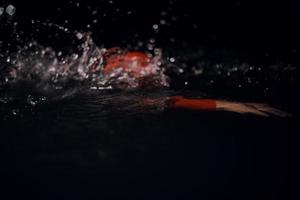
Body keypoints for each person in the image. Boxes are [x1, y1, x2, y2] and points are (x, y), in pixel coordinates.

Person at [98, 47, 290, 117]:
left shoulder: (126, 76)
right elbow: (168, 102)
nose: (154, 75)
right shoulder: (110, 94)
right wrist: (227, 105)